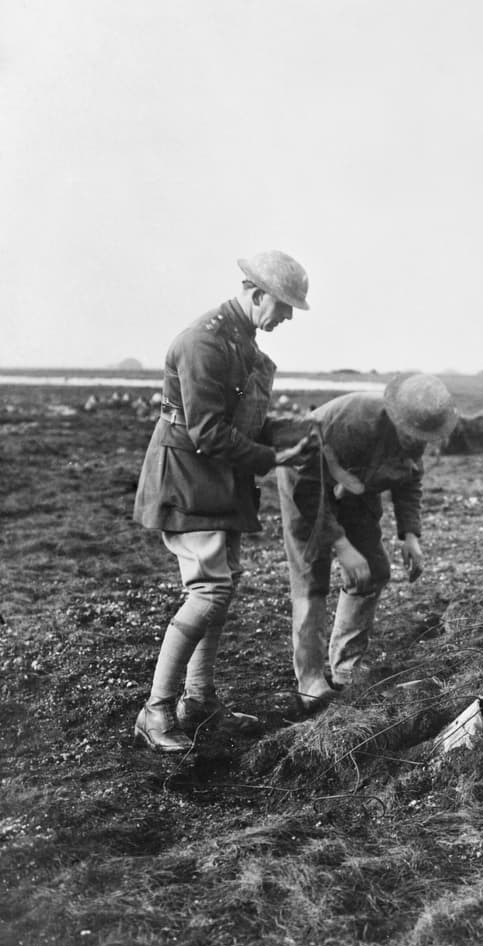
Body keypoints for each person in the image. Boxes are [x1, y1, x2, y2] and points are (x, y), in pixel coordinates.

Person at [133, 250, 317, 753]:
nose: (286, 318)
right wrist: (271, 458)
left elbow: (242, 421)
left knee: (222, 587)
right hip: (189, 481)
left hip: (215, 482)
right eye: (284, 306)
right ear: (256, 294)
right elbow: (209, 432)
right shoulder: (204, 342)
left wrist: (292, 436)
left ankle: (198, 701)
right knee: (209, 591)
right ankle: (155, 711)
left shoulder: (240, 339)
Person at [275, 373, 459, 713]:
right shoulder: (353, 423)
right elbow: (310, 489)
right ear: (397, 417)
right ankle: (310, 681)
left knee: (373, 569)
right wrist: (342, 545)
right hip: (306, 477)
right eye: (413, 434)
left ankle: (346, 667)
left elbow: (409, 479)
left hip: (356, 485)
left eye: (425, 437)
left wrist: (410, 535)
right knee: (312, 578)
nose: (419, 442)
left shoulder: (417, 433)